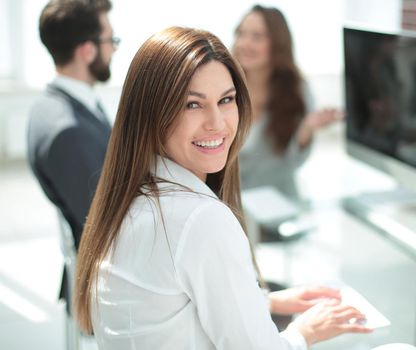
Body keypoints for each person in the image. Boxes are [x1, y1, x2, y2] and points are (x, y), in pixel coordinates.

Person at [73, 26, 371, 349]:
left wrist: (262, 301)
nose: (217, 123)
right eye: (192, 104)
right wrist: (306, 331)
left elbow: (167, 302)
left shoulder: (133, 195)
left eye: (226, 100)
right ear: (151, 114)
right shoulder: (200, 219)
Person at [27, 0, 117, 303]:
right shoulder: (69, 130)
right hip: (106, 283)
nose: (114, 49)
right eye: (110, 41)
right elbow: (108, 225)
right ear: (88, 50)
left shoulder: (52, 104)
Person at [233, 5, 341, 201]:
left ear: (278, 44)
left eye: (257, 37)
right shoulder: (225, 86)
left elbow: (292, 163)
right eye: (241, 34)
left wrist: (306, 129)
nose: (244, 43)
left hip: (278, 204)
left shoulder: (296, 89)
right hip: (230, 205)